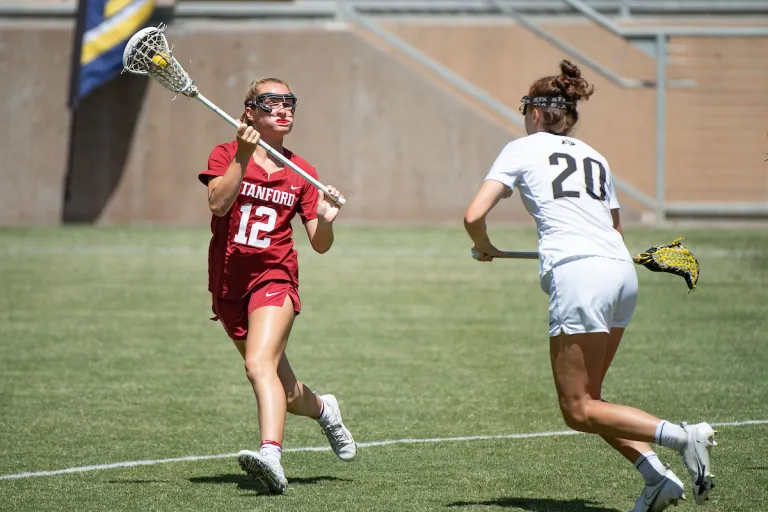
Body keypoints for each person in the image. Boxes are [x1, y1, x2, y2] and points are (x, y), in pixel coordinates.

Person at [463, 60, 716, 512]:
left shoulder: (522, 148)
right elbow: (614, 230)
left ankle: (683, 437)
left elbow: (472, 216)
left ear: (536, 113)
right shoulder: (595, 155)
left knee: (578, 409)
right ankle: (656, 478)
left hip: (580, 276)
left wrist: (485, 246)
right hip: (620, 273)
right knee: (592, 400)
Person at [198, 77, 356, 495]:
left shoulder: (302, 171)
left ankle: (271, 455)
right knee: (285, 393)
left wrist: (326, 218)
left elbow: (319, 245)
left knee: (256, 366)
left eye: (290, 103)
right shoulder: (226, 154)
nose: (283, 110)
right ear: (250, 111)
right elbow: (218, 203)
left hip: (275, 278)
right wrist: (245, 155)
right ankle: (325, 410)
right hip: (230, 285)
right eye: (271, 103)